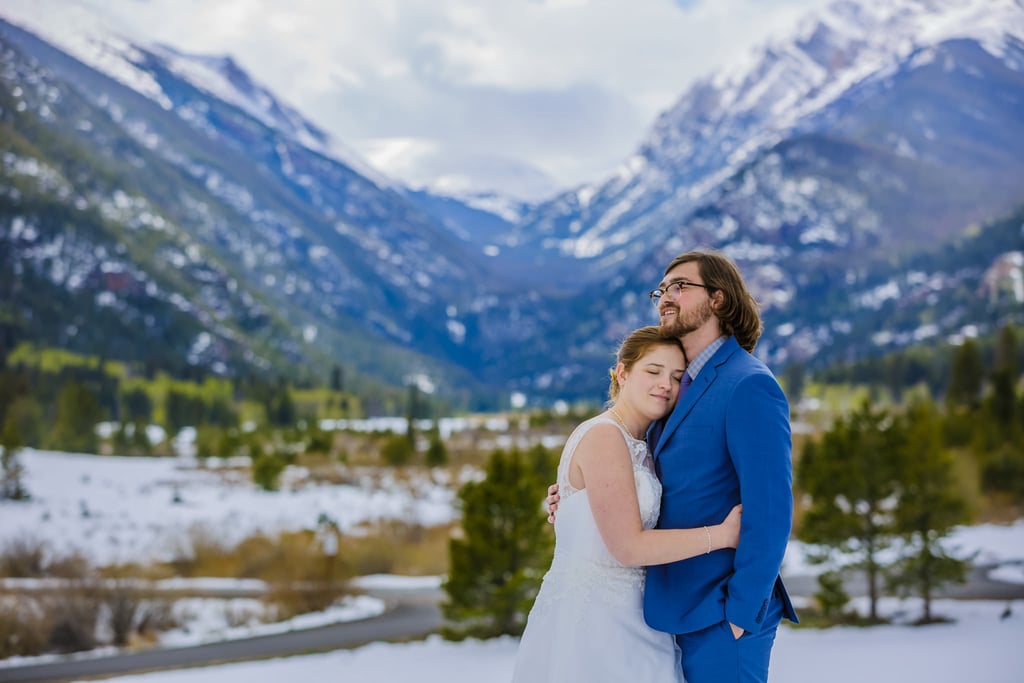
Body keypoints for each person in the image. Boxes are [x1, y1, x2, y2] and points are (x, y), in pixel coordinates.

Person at [547, 249, 797, 683]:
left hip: (721, 613)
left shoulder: (749, 384)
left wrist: (740, 612)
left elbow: (771, 509)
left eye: (680, 286)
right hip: (666, 614)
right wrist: (578, 503)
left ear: (718, 299)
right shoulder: (679, 386)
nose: (666, 296)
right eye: (661, 289)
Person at [512, 325, 742, 683]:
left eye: (677, 377)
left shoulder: (647, 441)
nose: (665, 384)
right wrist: (722, 535)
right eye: (653, 371)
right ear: (622, 373)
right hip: (596, 626)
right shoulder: (605, 436)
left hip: (637, 616)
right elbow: (629, 547)